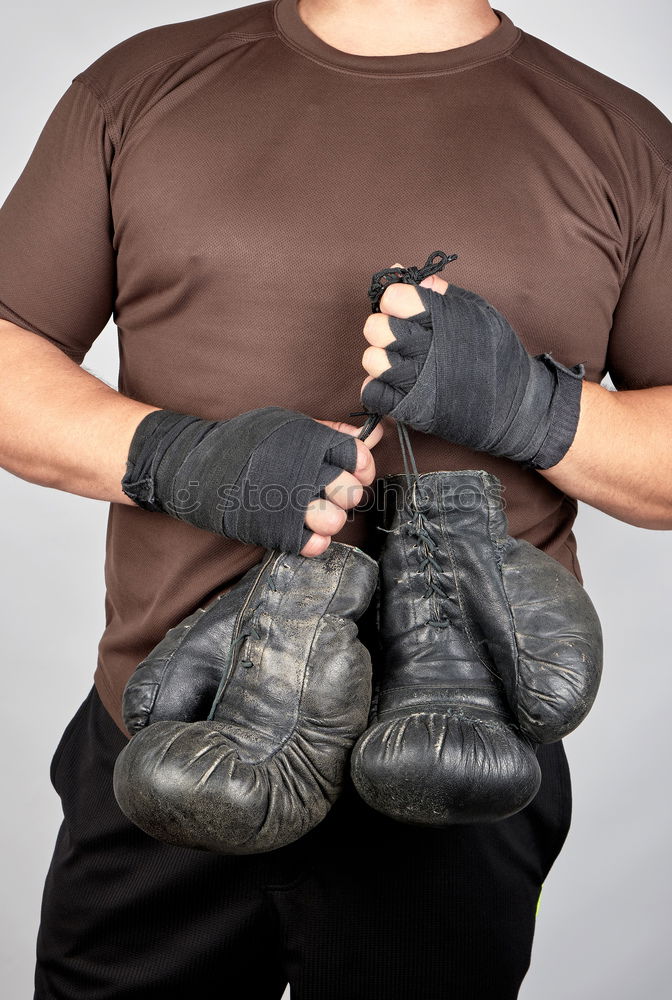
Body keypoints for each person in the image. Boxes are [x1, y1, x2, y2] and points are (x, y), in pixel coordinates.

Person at [1, 1, 671, 997]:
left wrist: (534, 407)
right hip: (178, 733)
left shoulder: (623, 140)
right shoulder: (137, 87)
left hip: (457, 765)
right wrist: (183, 459)